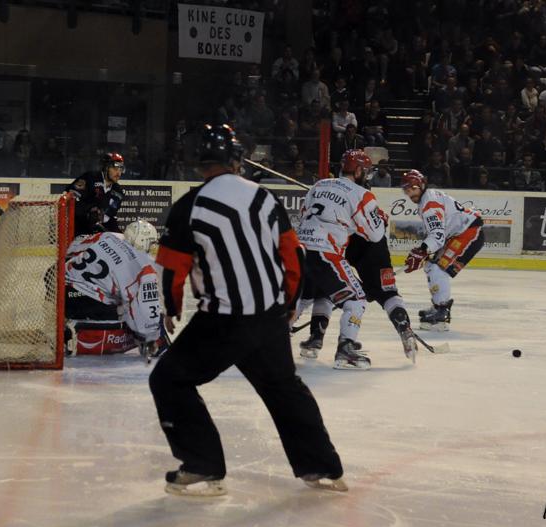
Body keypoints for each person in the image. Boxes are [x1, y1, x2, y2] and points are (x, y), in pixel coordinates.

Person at [150, 124, 345, 496]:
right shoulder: (265, 198)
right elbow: (293, 255)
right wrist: (288, 304)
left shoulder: (190, 205)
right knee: (283, 388)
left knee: (168, 379)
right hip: (269, 315)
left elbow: (173, 267)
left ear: (199, 163)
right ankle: (323, 467)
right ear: (237, 159)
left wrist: (172, 308)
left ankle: (203, 464)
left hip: (223, 319)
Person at [295, 149, 388, 370]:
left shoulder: (318, 185)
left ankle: (269, 339)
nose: (366, 175)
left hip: (299, 249)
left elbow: (302, 213)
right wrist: (380, 219)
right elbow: (375, 235)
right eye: (365, 171)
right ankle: (345, 349)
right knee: (356, 299)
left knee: (303, 298)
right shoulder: (361, 194)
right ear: (357, 171)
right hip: (325, 251)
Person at [64, 220, 162, 360]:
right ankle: (79, 335)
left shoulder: (107, 236)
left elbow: (72, 248)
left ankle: (63, 321)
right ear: (143, 242)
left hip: (60, 288)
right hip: (89, 302)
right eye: (151, 243)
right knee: (128, 321)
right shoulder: (139, 268)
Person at [401, 169, 485, 331]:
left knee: (438, 268)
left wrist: (422, 250)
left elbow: (437, 235)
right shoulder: (428, 197)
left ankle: (442, 313)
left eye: (413, 188)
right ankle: (438, 306)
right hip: (459, 233)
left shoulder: (429, 203)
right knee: (431, 265)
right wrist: (423, 251)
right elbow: (438, 233)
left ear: (421, 185)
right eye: (407, 190)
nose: (410, 193)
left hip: (468, 233)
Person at [65, 152, 126, 236]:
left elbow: (109, 217)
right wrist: (89, 210)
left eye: (121, 169)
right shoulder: (90, 178)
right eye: (115, 168)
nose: (119, 173)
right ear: (106, 168)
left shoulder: (118, 191)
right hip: (79, 231)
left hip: (98, 235)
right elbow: (71, 198)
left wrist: (120, 237)